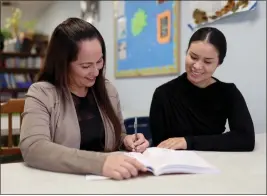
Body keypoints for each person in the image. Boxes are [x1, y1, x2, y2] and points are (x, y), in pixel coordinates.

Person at [19, 17, 149, 180]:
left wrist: (128, 141)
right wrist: (100, 163)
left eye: (100, 61)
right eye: (86, 66)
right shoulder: (42, 93)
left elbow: (118, 136)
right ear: (63, 64)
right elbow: (34, 148)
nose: (96, 72)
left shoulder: (108, 90)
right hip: (61, 183)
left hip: (110, 182)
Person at [149, 27, 255, 151]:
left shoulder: (228, 93)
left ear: (219, 63)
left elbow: (245, 138)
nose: (197, 66)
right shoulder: (163, 94)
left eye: (207, 61)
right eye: (193, 57)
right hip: (176, 165)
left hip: (218, 164)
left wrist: (188, 142)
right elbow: (160, 146)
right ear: (186, 52)